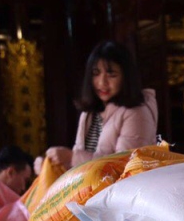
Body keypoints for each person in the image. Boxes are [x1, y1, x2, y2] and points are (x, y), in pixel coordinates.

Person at [40, 40, 158, 171]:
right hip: (91, 190)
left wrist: (72, 157)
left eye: (111, 74)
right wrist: (54, 164)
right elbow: (79, 169)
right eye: (96, 73)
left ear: (126, 77)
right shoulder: (89, 113)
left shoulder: (137, 113)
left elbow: (125, 166)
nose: (102, 82)